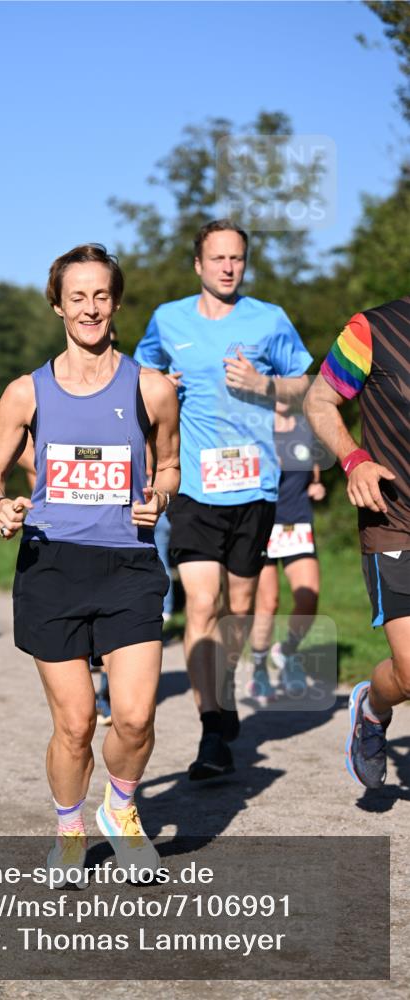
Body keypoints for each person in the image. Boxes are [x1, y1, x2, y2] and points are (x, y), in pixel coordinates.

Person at [0, 244, 179, 883]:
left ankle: (120, 809)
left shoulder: (150, 387)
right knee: (76, 722)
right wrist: (2, 507)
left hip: (128, 566)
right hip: (52, 567)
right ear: (58, 305)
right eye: (77, 296)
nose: (89, 308)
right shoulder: (24, 392)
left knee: (138, 717)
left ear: (115, 302)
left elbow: (170, 463)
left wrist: (160, 494)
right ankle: (69, 831)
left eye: (100, 295)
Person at [134, 219, 312, 780]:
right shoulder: (169, 319)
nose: (228, 267)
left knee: (237, 607)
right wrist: (163, 380)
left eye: (236, 258)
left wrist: (264, 387)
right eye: (218, 259)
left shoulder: (270, 320)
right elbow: (140, 375)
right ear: (199, 265)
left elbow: (309, 384)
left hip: (256, 484)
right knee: (203, 605)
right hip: (192, 485)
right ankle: (212, 726)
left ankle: (225, 692)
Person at [304, 297, 410, 789]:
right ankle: (372, 708)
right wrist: (353, 458)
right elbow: (318, 400)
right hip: (396, 519)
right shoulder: (376, 328)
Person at [248, 404, 326, 705]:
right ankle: (258, 667)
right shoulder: (255, 427)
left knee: (309, 597)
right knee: (268, 603)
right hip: (262, 524)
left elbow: (314, 471)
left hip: (297, 524)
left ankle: (288, 651)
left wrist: (317, 486)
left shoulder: (306, 427)